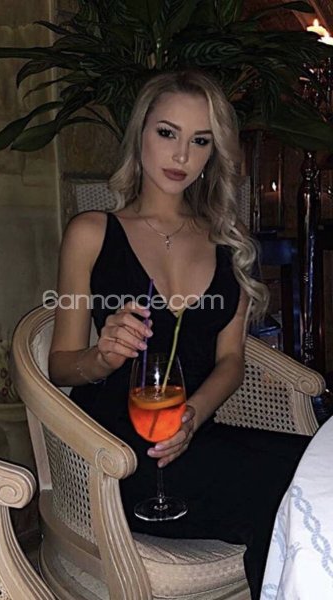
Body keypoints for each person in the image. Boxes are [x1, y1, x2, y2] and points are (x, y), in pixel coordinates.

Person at [48, 70, 309, 600]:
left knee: (315, 467)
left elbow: (231, 360)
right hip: (115, 455)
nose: (182, 155)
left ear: (214, 152)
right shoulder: (91, 232)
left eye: (200, 140)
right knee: (275, 497)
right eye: (167, 132)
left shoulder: (226, 242)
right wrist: (102, 357)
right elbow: (59, 365)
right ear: (140, 132)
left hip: (191, 435)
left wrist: (194, 415)